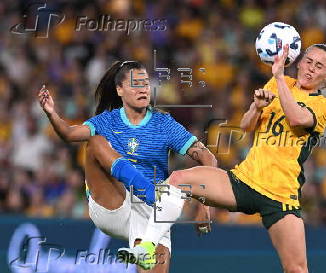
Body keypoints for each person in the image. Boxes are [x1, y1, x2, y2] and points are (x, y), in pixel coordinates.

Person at [126, 44, 326, 273]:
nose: (310, 68)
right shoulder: (278, 83)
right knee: (177, 179)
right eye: (308, 61)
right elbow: (246, 126)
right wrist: (256, 107)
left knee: (296, 269)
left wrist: (279, 77)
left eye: (319, 66)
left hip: (280, 194)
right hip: (243, 181)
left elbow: (295, 118)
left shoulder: (324, 105)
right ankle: (147, 245)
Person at [37, 60, 216, 272]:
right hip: (113, 204)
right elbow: (68, 133)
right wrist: (51, 112)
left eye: (146, 84)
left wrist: (206, 206)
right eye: (136, 84)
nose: (143, 89)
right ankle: (152, 195)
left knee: (171, 194)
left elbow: (208, 159)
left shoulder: (164, 124)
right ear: (119, 90)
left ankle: (146, 242)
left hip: (150, 212)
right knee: (94, 142)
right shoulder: (107, 121)